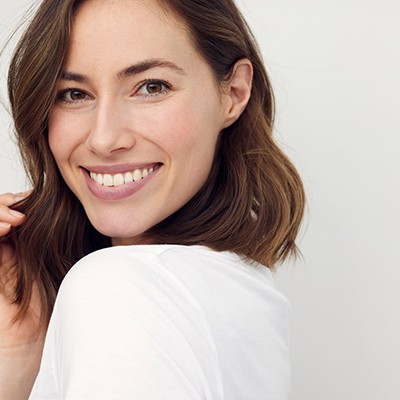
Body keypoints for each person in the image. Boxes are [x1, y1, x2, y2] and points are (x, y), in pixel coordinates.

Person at [0, 0, 305, 398]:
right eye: (73, 93)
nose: (105, 138)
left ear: (233, 92)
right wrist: (20, 355)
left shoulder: (121, 287)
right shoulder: (238, 291)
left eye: (151, 87)